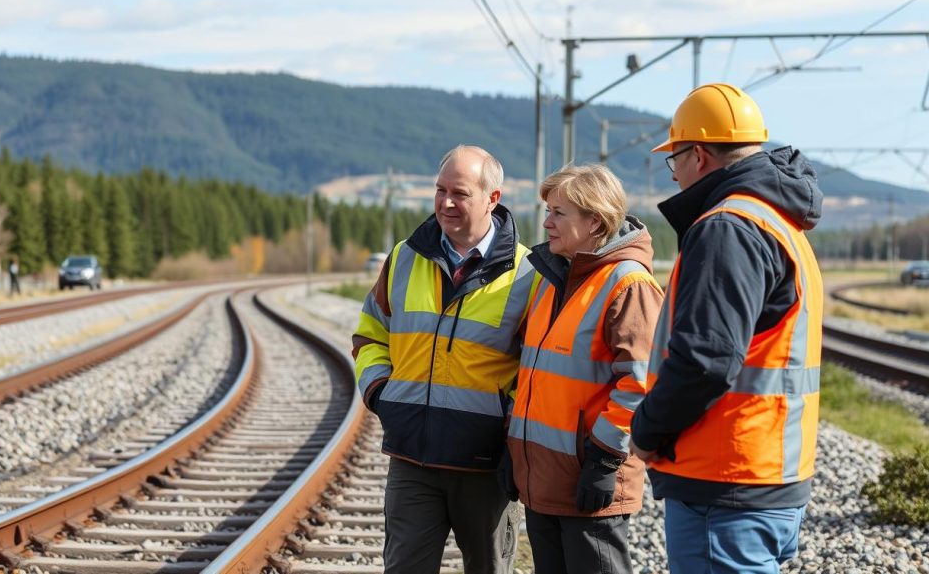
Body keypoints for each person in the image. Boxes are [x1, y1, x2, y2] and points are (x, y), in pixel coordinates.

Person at [629, 83, 824, 574]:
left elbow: (705, 362)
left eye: (673, 162)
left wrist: (648, 428)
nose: (674, 177)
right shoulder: (779, 219)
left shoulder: (727, 227)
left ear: (698, 155)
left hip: (727, 479)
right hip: (764, 473)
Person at [352, 145, 538, 574]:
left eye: (459, 193)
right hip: (412, 459)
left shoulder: (527, 273)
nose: (445, 203)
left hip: (485, 466)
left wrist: (509, 418)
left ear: (493, 198)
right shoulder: (404, 257)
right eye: (439, 190)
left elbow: (537, 364)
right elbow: (370, 334)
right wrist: (382, 393)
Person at [499, 164, 663, 574]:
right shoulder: (550, 279)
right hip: (543, 480)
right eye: (548, 211)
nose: (546, 222)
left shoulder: (629, 284)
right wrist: (513, 447)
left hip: (589, 484)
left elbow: (639, 384)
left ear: (594, 221)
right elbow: (533, 376)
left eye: (559, 213)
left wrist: (605, 461)